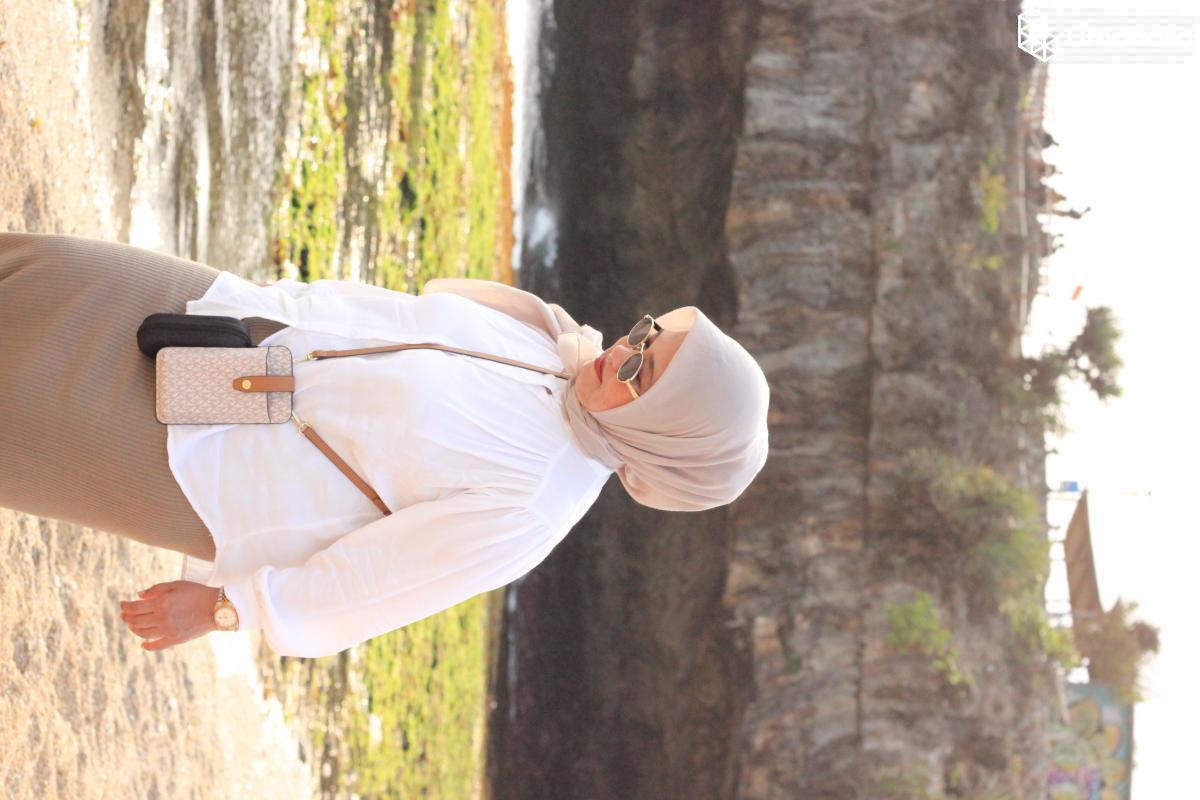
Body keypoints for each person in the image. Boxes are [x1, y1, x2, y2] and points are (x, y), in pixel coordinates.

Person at [0, 231, 770, 658]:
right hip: (220, 319)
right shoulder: (552, 345)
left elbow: (372, 583)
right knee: (31, 272)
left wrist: (228, 607)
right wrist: (260, 301)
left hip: (196, 460)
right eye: (646, 334)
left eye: (642, 374)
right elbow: (386, 313)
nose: (622, 353)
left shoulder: (532, 507)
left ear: (662, 437)